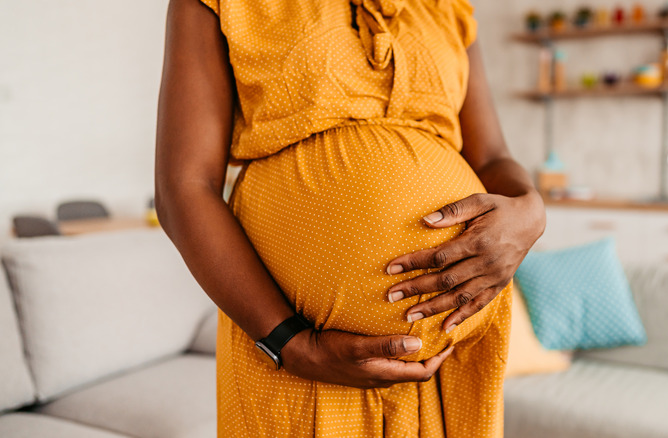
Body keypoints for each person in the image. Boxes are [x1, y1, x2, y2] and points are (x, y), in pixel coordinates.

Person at [154, 0, 546, 436]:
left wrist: (530, 206)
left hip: (448, 365)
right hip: (298, 356)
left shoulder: (448, 8)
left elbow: (492, 157)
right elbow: (185, 187)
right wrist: (291, 344)